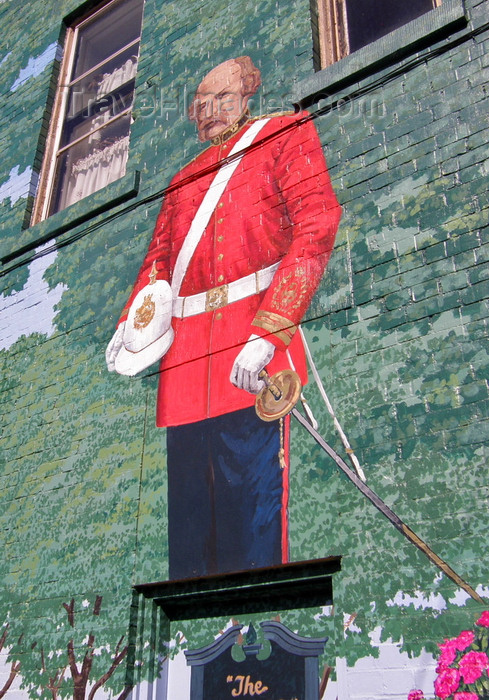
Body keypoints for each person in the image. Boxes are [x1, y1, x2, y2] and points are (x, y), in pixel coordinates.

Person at [106, 56, 341, 579]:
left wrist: (269, 330)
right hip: (185, 367)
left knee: (255, 509)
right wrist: (131, 327)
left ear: (248, 94)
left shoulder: (285, 135)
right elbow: (158, 266)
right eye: (200, 103)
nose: (208, 111)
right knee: (190, 526)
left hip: (252, 347)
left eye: (222, 98)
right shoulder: (181, 180)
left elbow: (317, 227)